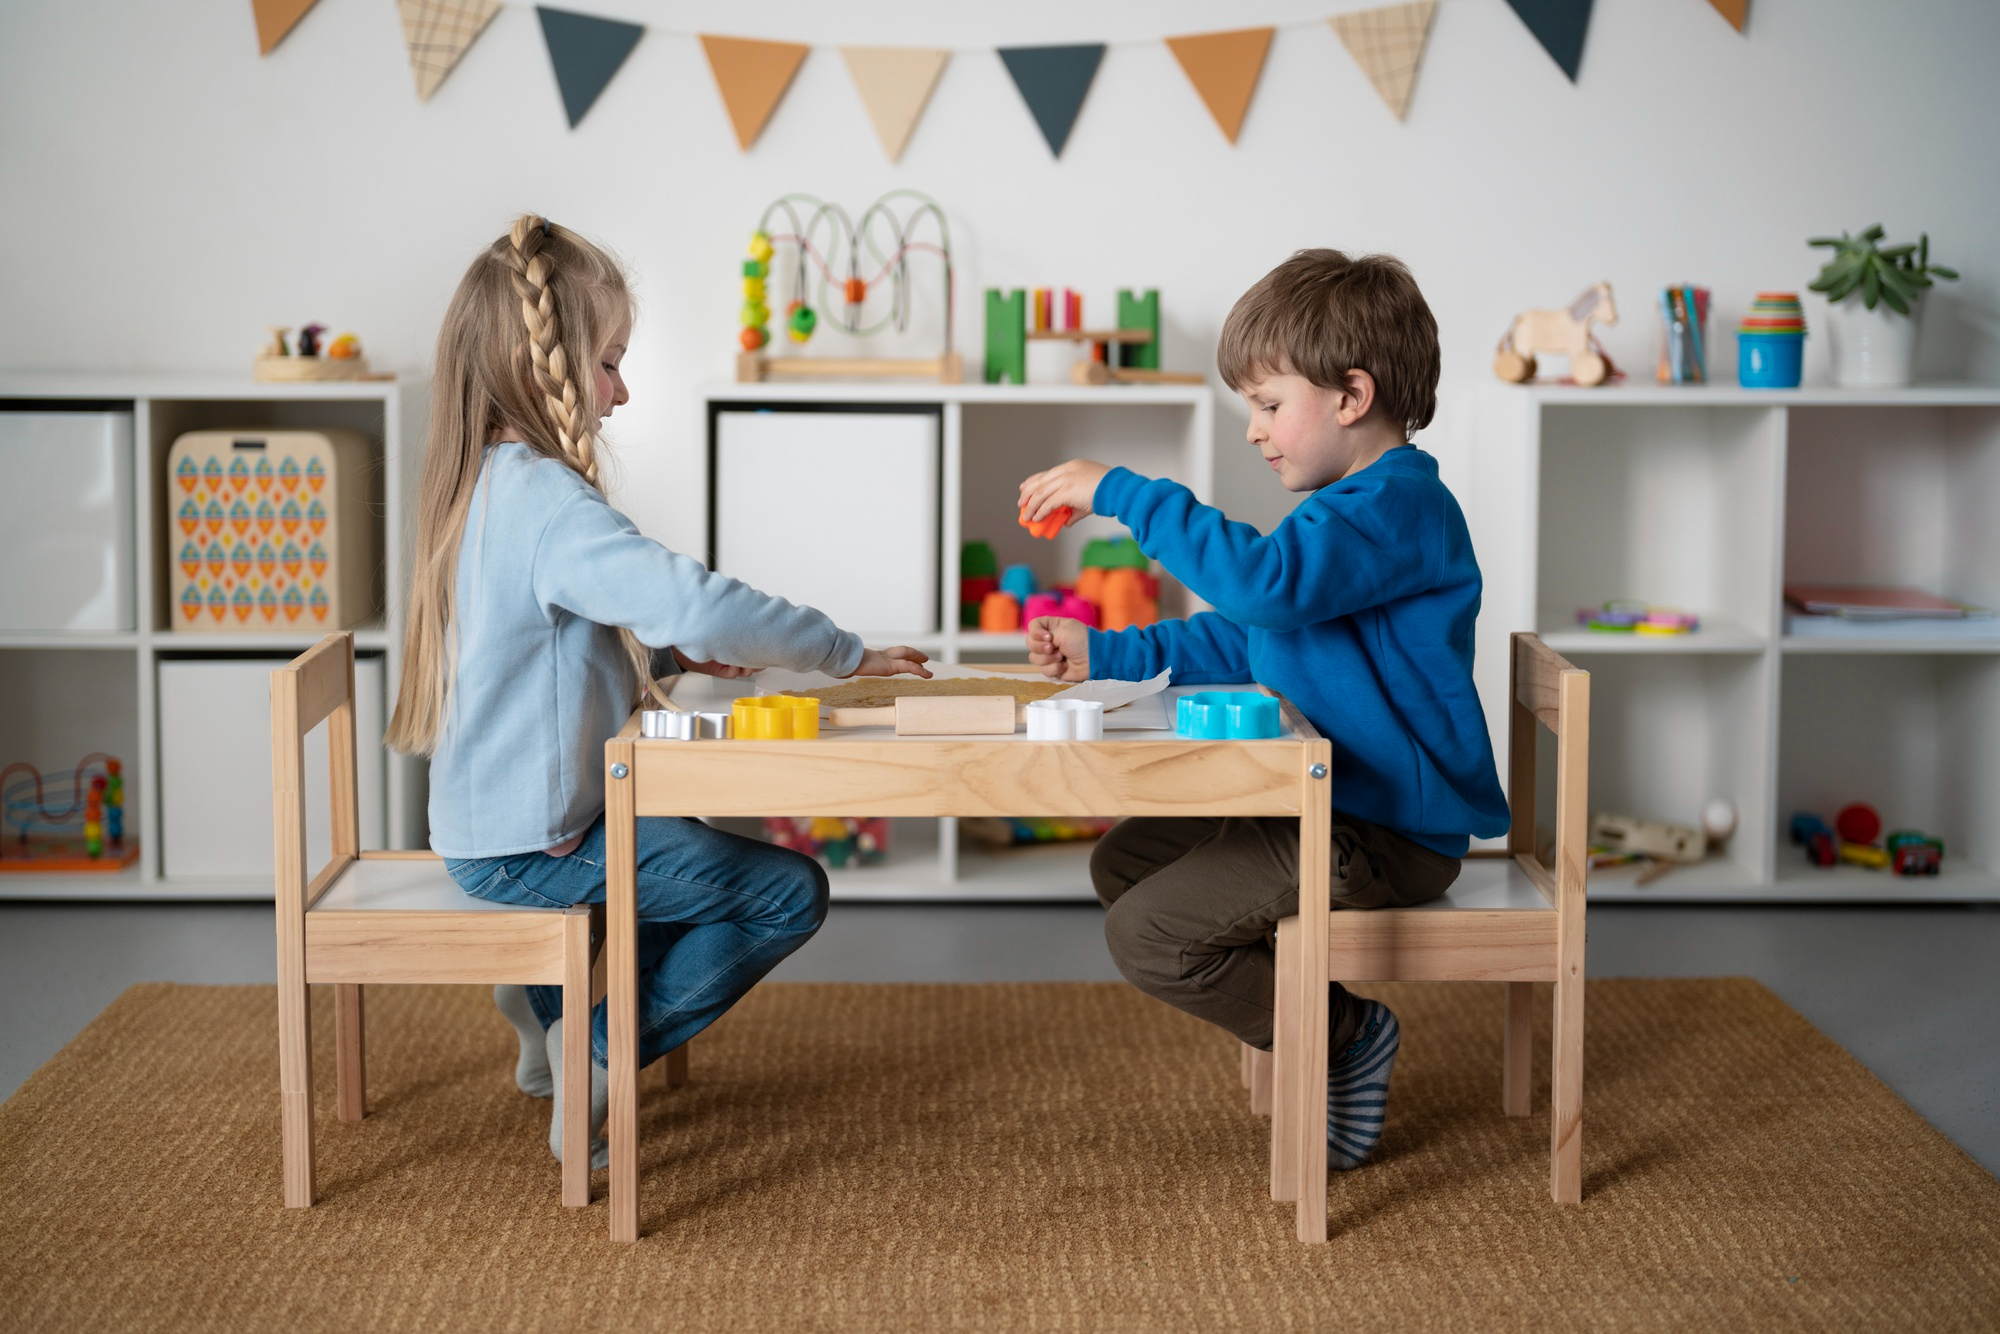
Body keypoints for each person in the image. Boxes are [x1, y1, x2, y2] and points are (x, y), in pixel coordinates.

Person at [387, 215, 929, 1168]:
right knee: (786, 893)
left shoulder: (487, 481)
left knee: (685, 867)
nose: (621, 391)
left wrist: (673, 665)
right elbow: (696, 599)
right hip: (533, 848)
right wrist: (843, 653)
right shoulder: (549, 502)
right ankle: (593, 1052)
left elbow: (546, 654)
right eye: (608, 363)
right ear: (539, 365)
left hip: (489, 823)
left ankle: (542, 1003)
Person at [1015, 249, 1507, 1170]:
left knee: (1145, 935)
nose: (1253, 431)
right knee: (1127, 862)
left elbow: (1263, 587)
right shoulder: (1346, 510)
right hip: (1323, 799)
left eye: (1269, 404)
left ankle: (1345, 1038)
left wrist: (1122, 492)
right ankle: (1302, 1017)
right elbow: (1254, 635)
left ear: (1352, 396)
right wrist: (1110, 653)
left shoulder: (1396, 507)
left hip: (1384, 829)